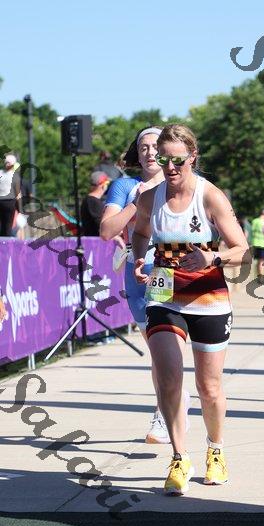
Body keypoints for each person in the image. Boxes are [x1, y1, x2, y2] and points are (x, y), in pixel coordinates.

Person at [133, 124, 250, 495]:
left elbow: (242, 249)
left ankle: (215, 450)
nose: (170, 167)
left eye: (178, 160)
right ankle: (179, 457)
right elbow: (140, 233)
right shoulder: (149, 198)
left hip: (208, 295)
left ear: (193, 157)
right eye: (164, 159)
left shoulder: (210, 195)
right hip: (164, 293)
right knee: (169, 378)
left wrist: (213, 257)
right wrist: (138, 258)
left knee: (208, 387)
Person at [100, 126, 191, 444]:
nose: (150, 152)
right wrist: (136, 204)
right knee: (157, 349)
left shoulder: (179, 180)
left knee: (165, 346)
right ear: (136, 154)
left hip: (169, 266)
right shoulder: (125, 186)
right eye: (143, 147)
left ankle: (164, 413)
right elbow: (106, 231)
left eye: (156, 146)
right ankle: (175, 399)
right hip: (137, 270)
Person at [81, 171, 110, 236]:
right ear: (103, 185)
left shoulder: (88, 200)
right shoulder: (93, 202)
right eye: (107, 183)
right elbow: (102, 226)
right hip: (97, 241)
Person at [0, 154, 21, 237]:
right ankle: (6, 243)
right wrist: (20, 209)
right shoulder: (15, 176)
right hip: (10, 203)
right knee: (8, 225)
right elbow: (18, 194)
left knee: (1, 225)